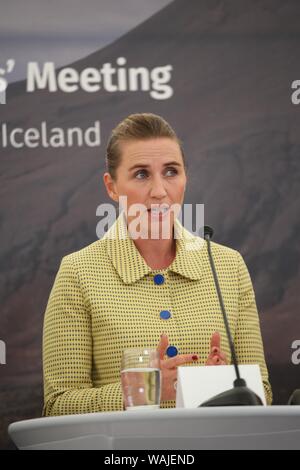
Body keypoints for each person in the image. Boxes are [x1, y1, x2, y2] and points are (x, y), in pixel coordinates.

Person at [42, 113, 272, 416]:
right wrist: (142, 388)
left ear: (185, 179)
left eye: (171, 172)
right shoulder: (78, 272)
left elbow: (263, 394)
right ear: (111, 187)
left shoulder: (228, 266)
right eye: (141, 174)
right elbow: (58, 406)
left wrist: (220, 384)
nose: (159, 191)